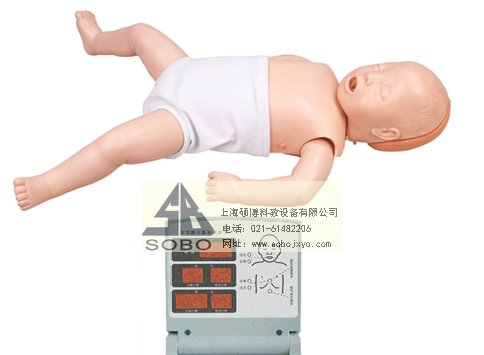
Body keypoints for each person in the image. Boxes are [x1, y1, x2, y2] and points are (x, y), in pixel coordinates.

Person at [13, 11, 450, 210]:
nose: (372, 77)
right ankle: (97, 42)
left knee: (116, 144)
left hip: (185, 121)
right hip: (182, 68)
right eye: (382, 67)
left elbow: (299, 192)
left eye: (384, 92)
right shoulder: (322, 71)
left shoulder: (322, 141)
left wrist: (242, 191)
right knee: (142, 32)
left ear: (385, 134)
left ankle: (48, 184)